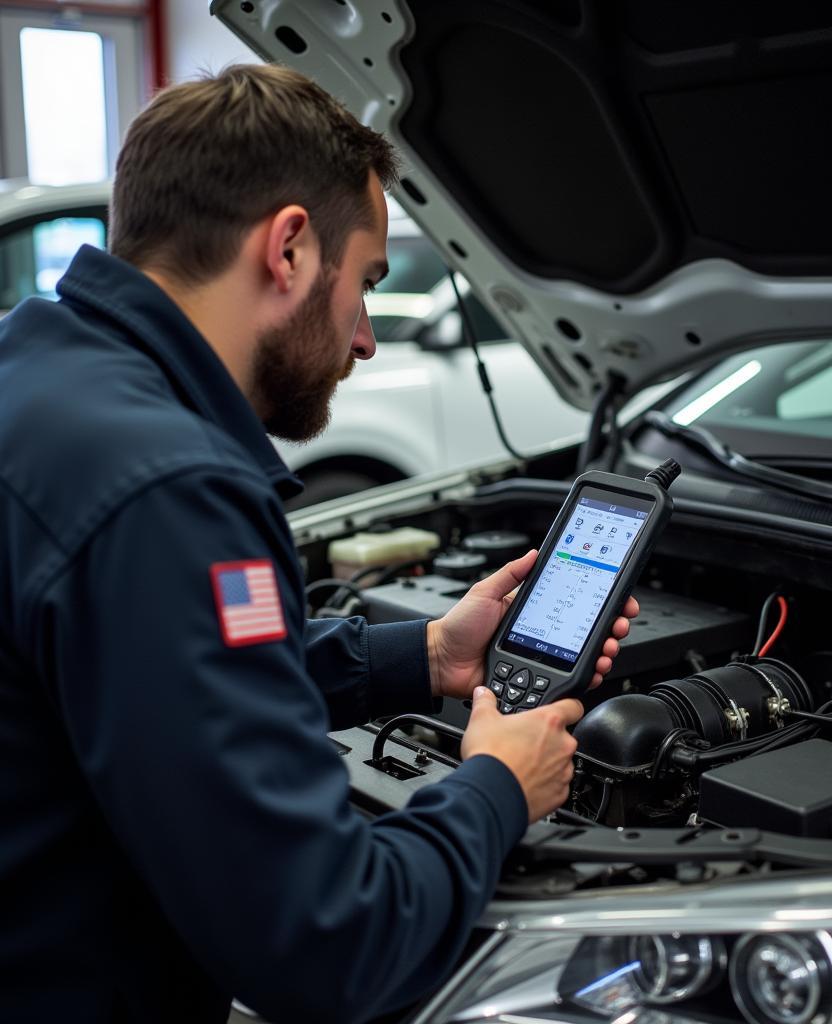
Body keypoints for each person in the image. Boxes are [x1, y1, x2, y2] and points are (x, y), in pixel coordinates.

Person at [0, 64, 638, 1023]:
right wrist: (497, 787)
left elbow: (149, 669)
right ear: (290, 248)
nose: (367, 338)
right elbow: (328, 944)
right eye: (367, 285)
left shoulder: (40, 374)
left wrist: (422, 656)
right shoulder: (172, 487)